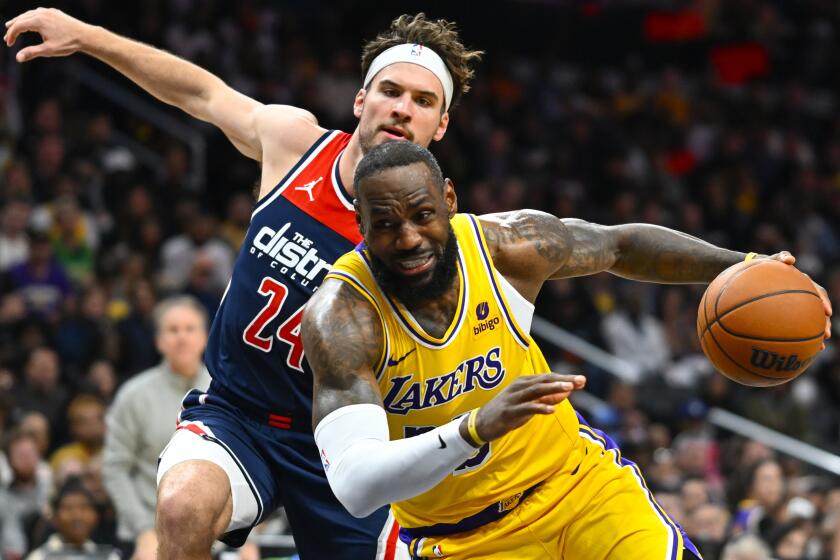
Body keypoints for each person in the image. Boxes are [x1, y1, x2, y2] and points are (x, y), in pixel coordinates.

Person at [4, 7, 482, 559]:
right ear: (360, 100)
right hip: (238, 413)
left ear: (440, 125)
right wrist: (87, 37)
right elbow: (199, 93)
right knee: (182, 506)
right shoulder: (295, 145)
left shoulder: (432, 239)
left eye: (423, 102)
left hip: (344, 438)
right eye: (390, 90)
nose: (402, 108)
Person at [302, 141, 832, 559]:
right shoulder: (342, 317)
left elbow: (619, 245)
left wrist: (748, 265)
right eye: (387, 225)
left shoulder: (509, 246)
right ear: (361, 224)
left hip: (578, 489)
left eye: (422, 215)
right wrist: (473, 428)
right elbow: (356, 485)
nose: (410, 237)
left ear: (450, 201)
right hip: (463, 539)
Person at [102, 296, 211, 560]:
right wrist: (143, 530)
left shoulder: (225, 391)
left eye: (190, 328)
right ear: (159, 341)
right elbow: (115, 469)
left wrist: (248, 537)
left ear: (205, 337)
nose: (182, 337)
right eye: (173, 330)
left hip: (213, 536)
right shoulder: (134, 395)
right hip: (147, 535)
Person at [24, 477, 120, 560]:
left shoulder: (108, 556)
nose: (77, 516)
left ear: (95, 516)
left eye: (84, 507)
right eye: (68, 508)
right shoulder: (39, 557)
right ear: (54, 517)